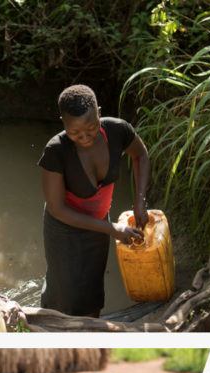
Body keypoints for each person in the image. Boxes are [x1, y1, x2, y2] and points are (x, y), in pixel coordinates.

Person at [38, 84, 150, 317]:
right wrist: (111, 229)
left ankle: (90, 333)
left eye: (91, 127)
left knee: (92, 287)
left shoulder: (118, 131)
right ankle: (54, 332)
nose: (84, 137)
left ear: (99, 111)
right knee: (66, 294)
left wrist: (140, 200)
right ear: (63, 123)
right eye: (74, 133)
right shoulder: (55, 151)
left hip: (99, 223)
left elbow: (140, 155)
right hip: (64, 230)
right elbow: (58, 209)